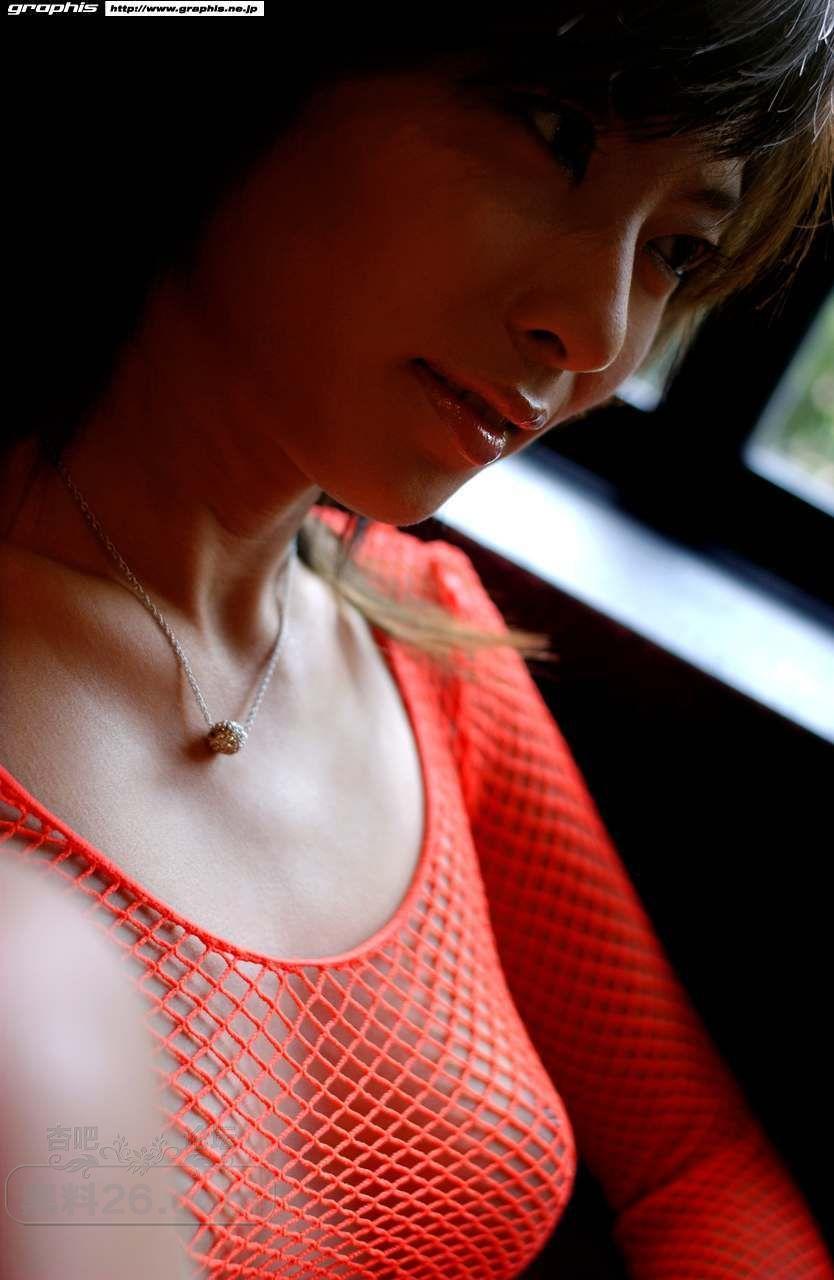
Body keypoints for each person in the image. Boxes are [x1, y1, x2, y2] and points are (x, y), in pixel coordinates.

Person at [2, 7, 832, 1278]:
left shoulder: (429, 646)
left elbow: (696, 1161)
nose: (601, 333)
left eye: (676, 249)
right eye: (556, 133)